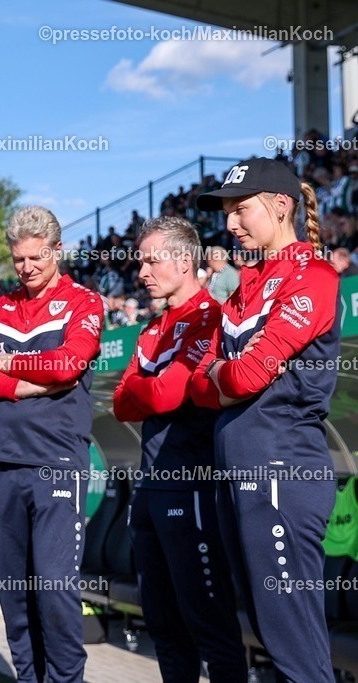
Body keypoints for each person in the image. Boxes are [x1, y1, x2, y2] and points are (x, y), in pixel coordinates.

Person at [189, 157, 341, 683]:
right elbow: (199, 382)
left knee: (292, 642)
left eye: (240, 209)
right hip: (241, 469)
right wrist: (227, 371)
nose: (229, 223)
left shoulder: (315, 276)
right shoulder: (242, 285)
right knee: (268, 631)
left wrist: (227, 371)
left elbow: (245, 376)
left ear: (281, 206)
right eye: (226, 212)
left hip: (283, 471)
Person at [0, 205, 103, 682]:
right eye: (18, 259)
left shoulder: (85, 302)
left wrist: (6, 363)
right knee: (14, 592)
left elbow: (67, 367)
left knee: (55, 587)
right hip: (3, 461)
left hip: (57, 460)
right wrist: (25, 384)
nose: (27, 268)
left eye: (36, 258)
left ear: (57, 250)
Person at [113, 216, 247, 682]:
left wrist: (146, 388)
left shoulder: (211, 317)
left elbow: (163, 395)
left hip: (191, 491)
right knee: (164, 629)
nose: (142, 272)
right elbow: (120, 404)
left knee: (210, 627)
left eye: (152, 261)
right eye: (141, 262)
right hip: (150, 492)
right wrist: (150, 388)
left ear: (185, 260)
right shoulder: (151, 329)